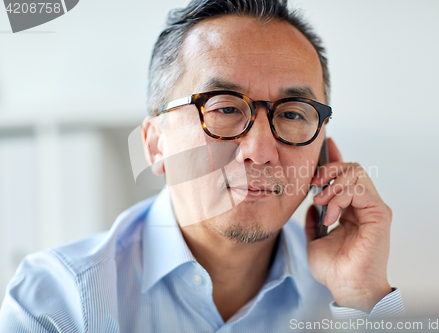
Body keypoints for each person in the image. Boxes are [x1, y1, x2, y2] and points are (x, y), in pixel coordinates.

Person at [0, 0, 405, 331]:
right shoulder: (59, 302)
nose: (261, 150)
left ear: (322, 150)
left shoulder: (341, 292)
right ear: (155, 145)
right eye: (225, 108)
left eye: (294, 114)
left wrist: (363, 298)